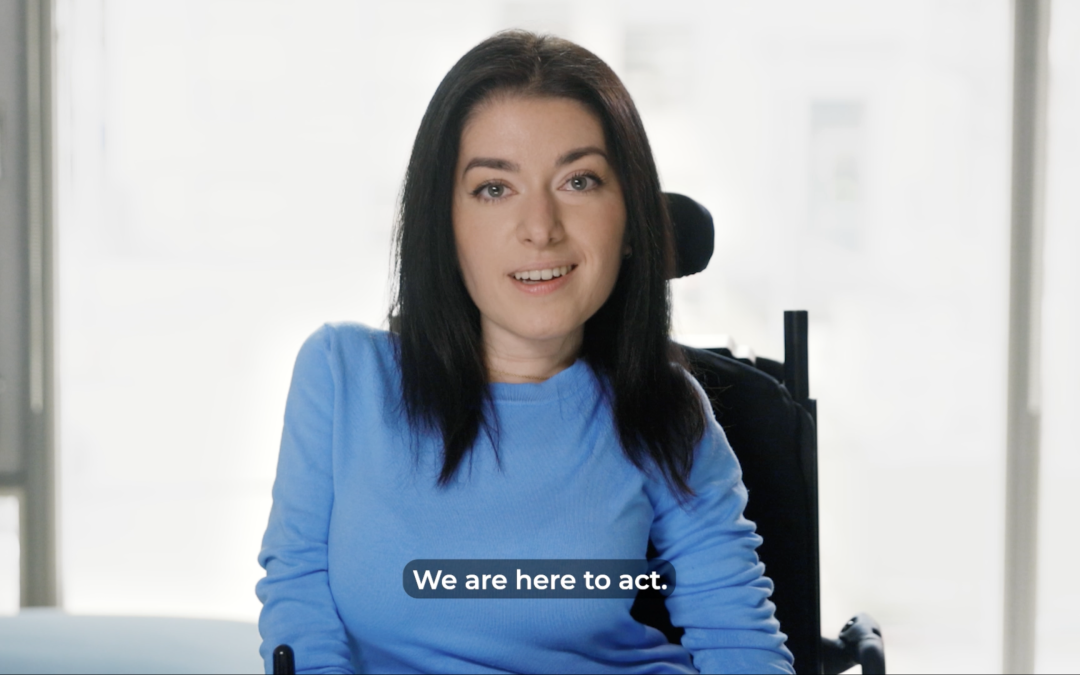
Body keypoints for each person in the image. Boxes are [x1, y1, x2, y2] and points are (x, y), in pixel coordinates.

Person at [256, 30, 795, 675]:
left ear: (630, 222)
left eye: (579, 180)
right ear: (443, 223)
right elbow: (300, 601)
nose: (540, 227)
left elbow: (740, 640)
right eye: (494, 188)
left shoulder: (665, 407)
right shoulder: (342, 377)